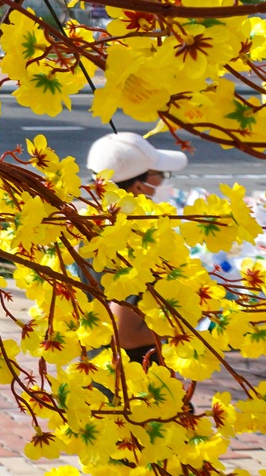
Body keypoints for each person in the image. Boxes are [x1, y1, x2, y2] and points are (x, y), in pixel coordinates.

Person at [87, 131, 188, 363]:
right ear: (139, 187)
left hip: (101, 366)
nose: (163, 181)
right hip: (135, 374)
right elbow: (126, 335)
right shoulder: (134, 240)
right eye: (159, 175)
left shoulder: (90, 225)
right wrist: (183, 324)